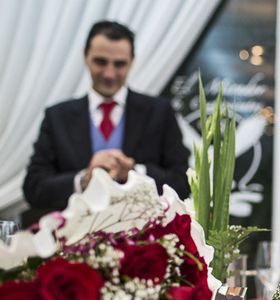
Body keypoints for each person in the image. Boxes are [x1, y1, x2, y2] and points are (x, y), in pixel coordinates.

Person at [23, 20, 189, 215]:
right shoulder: (57, 117)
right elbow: (33, 188)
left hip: (143, 238)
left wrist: (135, 173)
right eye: (101, 62)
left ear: (132, 62)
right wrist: (84, 179)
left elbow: (183, 182)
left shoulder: (160, 112)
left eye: (119, 64)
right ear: (86, 57)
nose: (109, 73)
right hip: (72, 239)